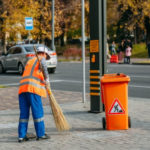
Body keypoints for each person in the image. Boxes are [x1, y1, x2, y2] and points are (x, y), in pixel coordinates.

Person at [18, 46, 50, 142]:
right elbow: (44, 67)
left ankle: (21, 136)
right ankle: (40, 134)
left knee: (24, 114)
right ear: (43, 53)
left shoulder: (30, 61)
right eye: (46, 56)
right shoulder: (41, 59)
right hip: (33, 89)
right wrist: (47, 79)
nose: (45, 58)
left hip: (22, 90)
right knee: (37, 112)